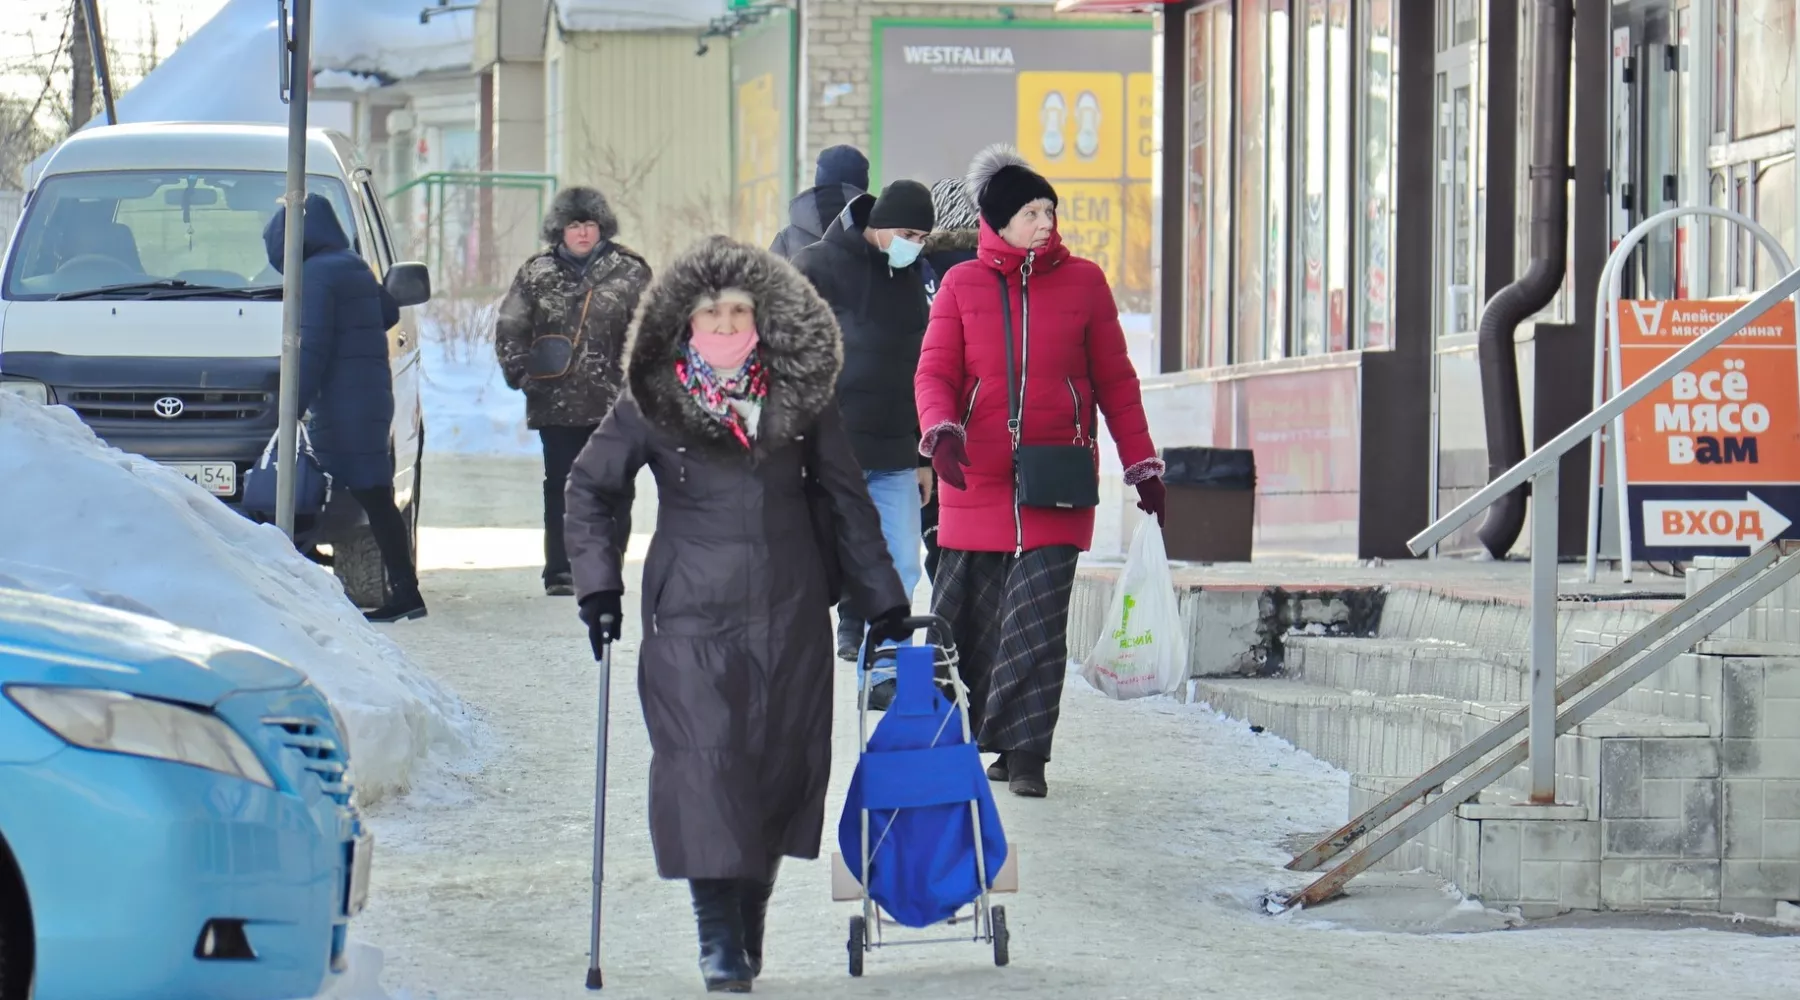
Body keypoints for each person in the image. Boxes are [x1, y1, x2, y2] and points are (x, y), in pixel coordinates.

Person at [563, 235, 912, 993]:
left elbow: (847, 500)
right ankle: (717, 939)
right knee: (704, 767)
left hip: (789, 607)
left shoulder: (801, 396)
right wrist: (597, 585)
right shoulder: (652, 398)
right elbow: (593, 488)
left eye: (737, 311)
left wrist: (882, 597)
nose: (724, 325)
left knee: (776, 775)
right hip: (690, 609)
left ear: (761, 318)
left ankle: (747, 925)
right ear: (685, 322)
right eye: (710, 313)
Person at [915, 144, 1167, 799]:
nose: (1046, 222)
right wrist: (940, 429)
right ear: (997, 222)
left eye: (1050, 210)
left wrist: (1140, 462)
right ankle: (959, 737)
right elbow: (936, 370)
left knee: (1036, 618)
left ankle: (1027, 755)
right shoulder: (962, 286)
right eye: (1031, 211)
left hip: (1058, 481)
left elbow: (1116, 379)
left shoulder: (1084, 282)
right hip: (977, 477)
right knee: (968, 619)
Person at [790, 180, 936, 692]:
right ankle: (793, 670)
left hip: (896, 451)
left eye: (922, 236)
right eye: (906, 232)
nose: (913, 242)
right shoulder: (816, 266)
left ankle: (888, 671)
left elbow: (923, 368)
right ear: (877, 226)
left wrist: (924, 455)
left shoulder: (911, 276)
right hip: (828, 451)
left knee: (899, 561)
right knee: (808, 566)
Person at [262, 193, 424, 624]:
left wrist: (290, 406)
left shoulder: (316, 274)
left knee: (317, 489)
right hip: (367, 395)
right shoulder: (350, 265)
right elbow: (387, 310)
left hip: (342, 402)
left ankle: (297, 584)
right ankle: (405, 591)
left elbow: (310, 348)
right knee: (373, 494)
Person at [495, 186, 652, 596]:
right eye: (574, 225)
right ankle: (561, 570)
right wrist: (522, 374)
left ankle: (606, 565)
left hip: (615, 404)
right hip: (557, 403)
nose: (583, 232)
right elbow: (511, 326)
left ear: (602, 227)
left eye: (590, 224)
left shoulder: (631, 271)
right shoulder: (536, 272)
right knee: (561, 486)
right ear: (559, 230)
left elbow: (656, 330)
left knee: (615, 486)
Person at [918, 176, 984, 586]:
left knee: (937, 530)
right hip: (987, 420)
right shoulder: (995, 269)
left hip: (930, 419)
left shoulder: (917, 271)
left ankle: (947, 622)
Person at [768, 144, 869, 260]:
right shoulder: (882, 235)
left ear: (818, 179)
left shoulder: (787, 239)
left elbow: (764, 277)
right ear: (865, 183)